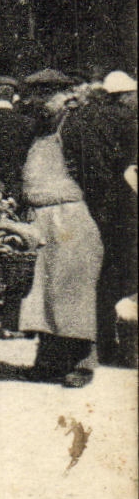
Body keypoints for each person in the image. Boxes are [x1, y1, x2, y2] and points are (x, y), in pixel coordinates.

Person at [16, 98, 103, 387]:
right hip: (39, 217)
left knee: (73, 289)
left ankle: (82, 362)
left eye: (48, 94)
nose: (42, 103)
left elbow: (95, 175)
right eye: (37, 93)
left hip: (70, 215)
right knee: (42, 291)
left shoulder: (76, 129)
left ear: (66, 99)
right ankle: (48, 362)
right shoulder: (36, 132)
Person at [58, 70, 138, 365]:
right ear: (126, 96)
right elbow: (129, 162)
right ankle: (121, 345)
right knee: (120, 273)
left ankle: (93, 341)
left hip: (82, 203)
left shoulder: (78, 118)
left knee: (91, 273)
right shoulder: (126, 119)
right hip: (118, 205)